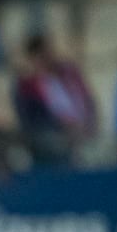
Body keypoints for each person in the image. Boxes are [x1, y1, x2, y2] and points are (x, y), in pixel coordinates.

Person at [12, 33, 95, 169]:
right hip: (53, 139)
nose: (48, 58)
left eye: (50, 53)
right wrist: (64, 128)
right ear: (33, 58)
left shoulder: (69, 74)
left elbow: (88, 101)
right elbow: (30, 122)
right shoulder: (26, 86)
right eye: (43, 56)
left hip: (83, 133)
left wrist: (88, 125)